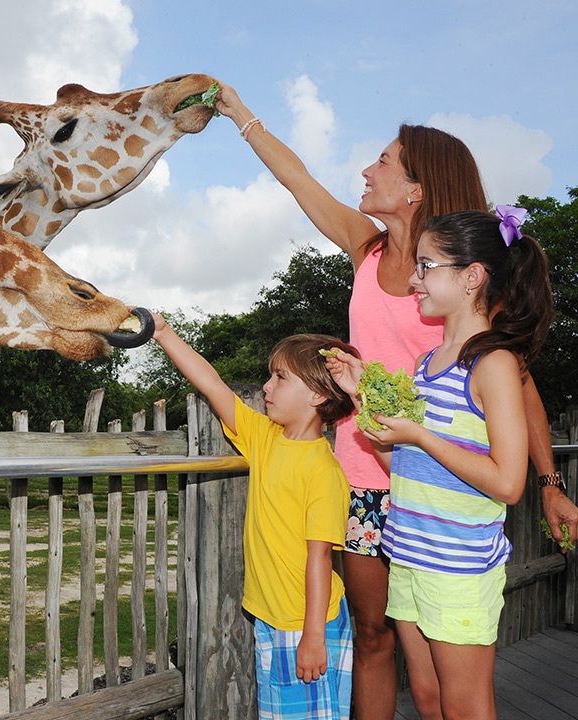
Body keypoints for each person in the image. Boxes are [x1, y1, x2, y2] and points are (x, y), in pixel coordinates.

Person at [214, 83, 578, 720]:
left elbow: (519, 391)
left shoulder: (458, 279)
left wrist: (549, 482)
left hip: (434, 486)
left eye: (382, 161)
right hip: (363, 476)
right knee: (375, 635)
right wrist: (241, 115)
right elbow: (297, 180)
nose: (366, 169)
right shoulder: (367, 248)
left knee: (439, 670)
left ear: (416, 188)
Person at [326, 208, 554, 719]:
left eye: (426, 266)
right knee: (429, 700)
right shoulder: (428, 364)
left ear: (472, 277)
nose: (413, 278)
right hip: (408, 555)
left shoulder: (493, 363)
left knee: (467, 707)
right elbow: (398, 462)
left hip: (457, 570)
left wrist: (421, 435)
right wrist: (363, 397)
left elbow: (509, 482)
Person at [150, 312, 357, 719]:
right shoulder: (265, 438)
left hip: (306, 622)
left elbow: (321, 558)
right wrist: (163, 333)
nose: (266, 386)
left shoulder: (324, 472)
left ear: (317, 395)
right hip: (274, 618)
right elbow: (212, 384)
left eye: (281, 378)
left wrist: (313, 636)